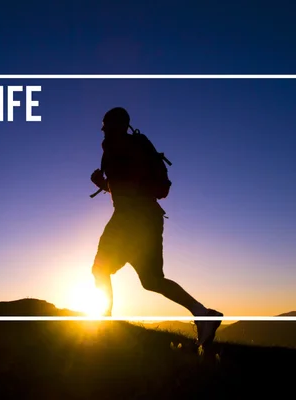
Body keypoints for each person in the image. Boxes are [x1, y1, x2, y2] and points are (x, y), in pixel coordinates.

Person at [90, 106, 223, 347]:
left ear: (114, 126)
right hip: (150, 219)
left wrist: (103, 183)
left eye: (106, 126)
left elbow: (125, 188)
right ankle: (203, 314)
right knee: (151, 279)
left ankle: (104, 325)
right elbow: (135, 186)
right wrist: (108, 184)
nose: (103, 131)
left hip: (128, 219)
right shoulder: (136, 146)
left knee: (100, 269)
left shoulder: (117, 147)